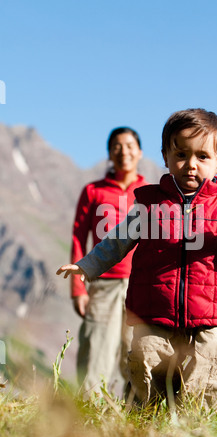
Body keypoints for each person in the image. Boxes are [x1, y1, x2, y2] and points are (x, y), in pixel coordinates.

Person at [58, 108, 217, 412]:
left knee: (207, 379)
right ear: (165, 156)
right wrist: (86, 266)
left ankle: (203, 433)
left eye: (203, 157)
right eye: (181, 154)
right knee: (145, 364)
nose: (191, 165)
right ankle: (145, 422)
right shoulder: (150, 203)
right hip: (154, 311)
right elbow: (117, 240)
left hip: (210, 315)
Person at [70, 126, 146, 396]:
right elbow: (79, 237)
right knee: (95, 352)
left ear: (139, 152)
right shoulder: (93, 191)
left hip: (141, 285)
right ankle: (88, 417)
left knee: (138, 355)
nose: (123, 152)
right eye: (116, 146)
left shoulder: (150, 193)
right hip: (102, 284)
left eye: (128, 146)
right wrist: (78, 288)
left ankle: (136, 420)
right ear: (109, 154)